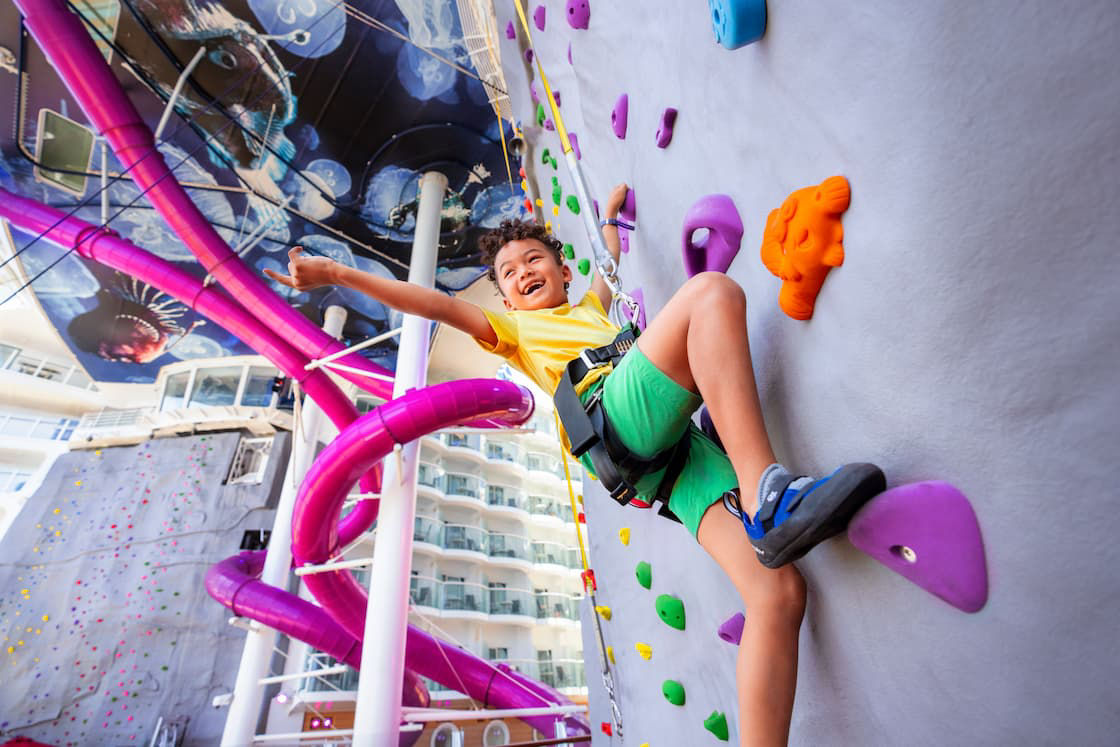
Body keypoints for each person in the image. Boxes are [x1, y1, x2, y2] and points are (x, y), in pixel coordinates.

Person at [265, 183, 885, 747]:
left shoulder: (590, 306)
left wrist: (612, 219)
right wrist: (337, 272)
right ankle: (767, 497)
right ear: (503, 295)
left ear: (563, 270)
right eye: (508, 272)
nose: (522, 272)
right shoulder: (510, 330)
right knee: (710, 295)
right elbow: (431, 304)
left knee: (777, 591)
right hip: (615, 422)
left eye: (534, 260)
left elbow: (605, 261)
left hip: (664, 466)